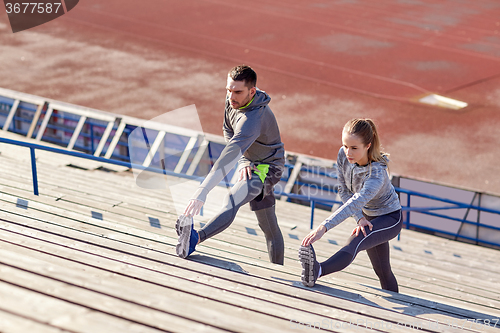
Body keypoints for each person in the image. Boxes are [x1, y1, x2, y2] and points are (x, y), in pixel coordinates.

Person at [176, 65, 285, 264]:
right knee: (269, 225)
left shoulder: (252, 120)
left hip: (267, 167)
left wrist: (202, 191)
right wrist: (243, 159)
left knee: (234, 198)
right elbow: (228, 131)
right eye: (228, 89)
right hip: (251, 161)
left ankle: (195, 238)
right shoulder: (234, 101)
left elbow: (227, 159)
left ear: (252, 92)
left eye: (237, 92)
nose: (231, 96)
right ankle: (280, 270)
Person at [299, 118, 402, 292]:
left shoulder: (376, 175)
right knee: (383, 272)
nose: (348, 152)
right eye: (345, 146)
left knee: (356, 240)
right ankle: (396, 303)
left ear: (368, 146)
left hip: (389, 217)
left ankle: (318, 270)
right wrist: (360, 217)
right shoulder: (343, 155)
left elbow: (355, 201)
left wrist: (323, 228)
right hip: (367, 215)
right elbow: (344, 190)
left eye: (354, 148)